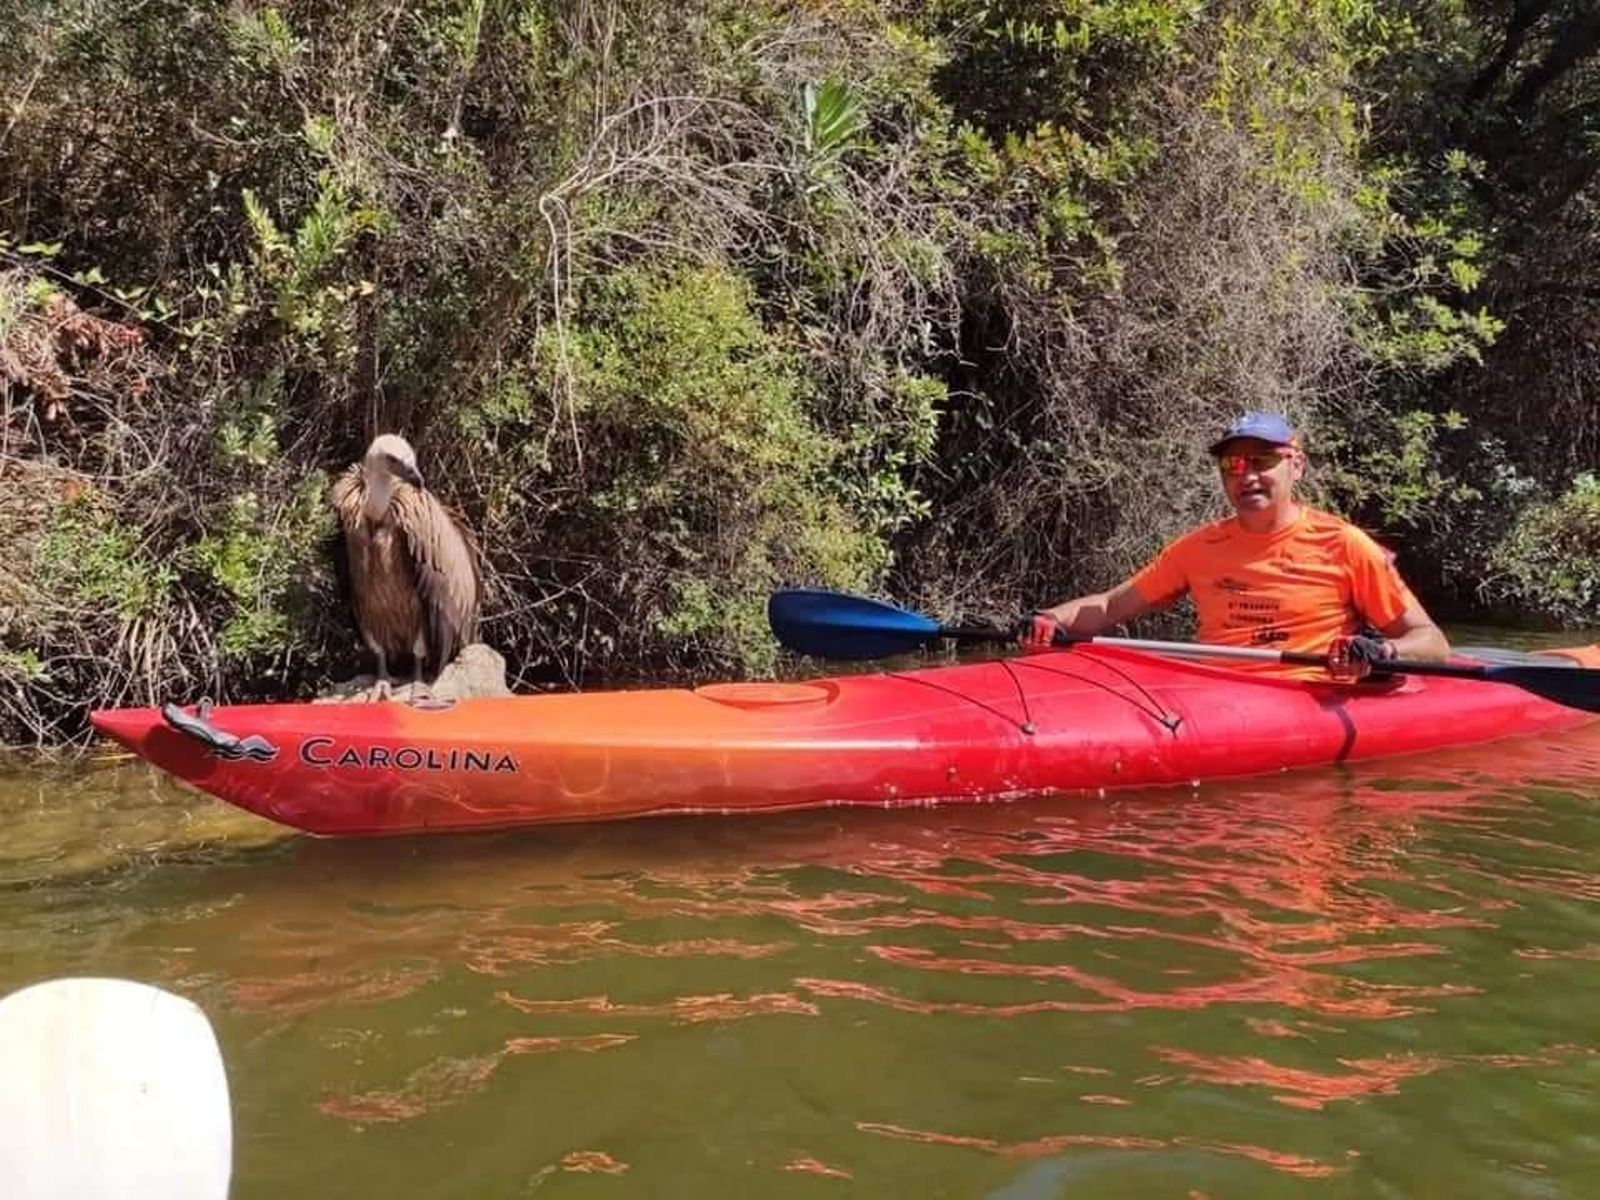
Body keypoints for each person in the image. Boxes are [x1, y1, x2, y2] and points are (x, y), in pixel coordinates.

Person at [1022, 412, 1451, 680]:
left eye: (1262, 462)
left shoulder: (1345, 545)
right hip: (1215, 692)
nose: (1246, 476)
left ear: (1295, 466)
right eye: (1233, 465)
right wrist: (1048, 619)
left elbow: (1431, 641)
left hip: (1309, 692)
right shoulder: (1198, 547)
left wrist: (1380, 651)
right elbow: (1110, 609)